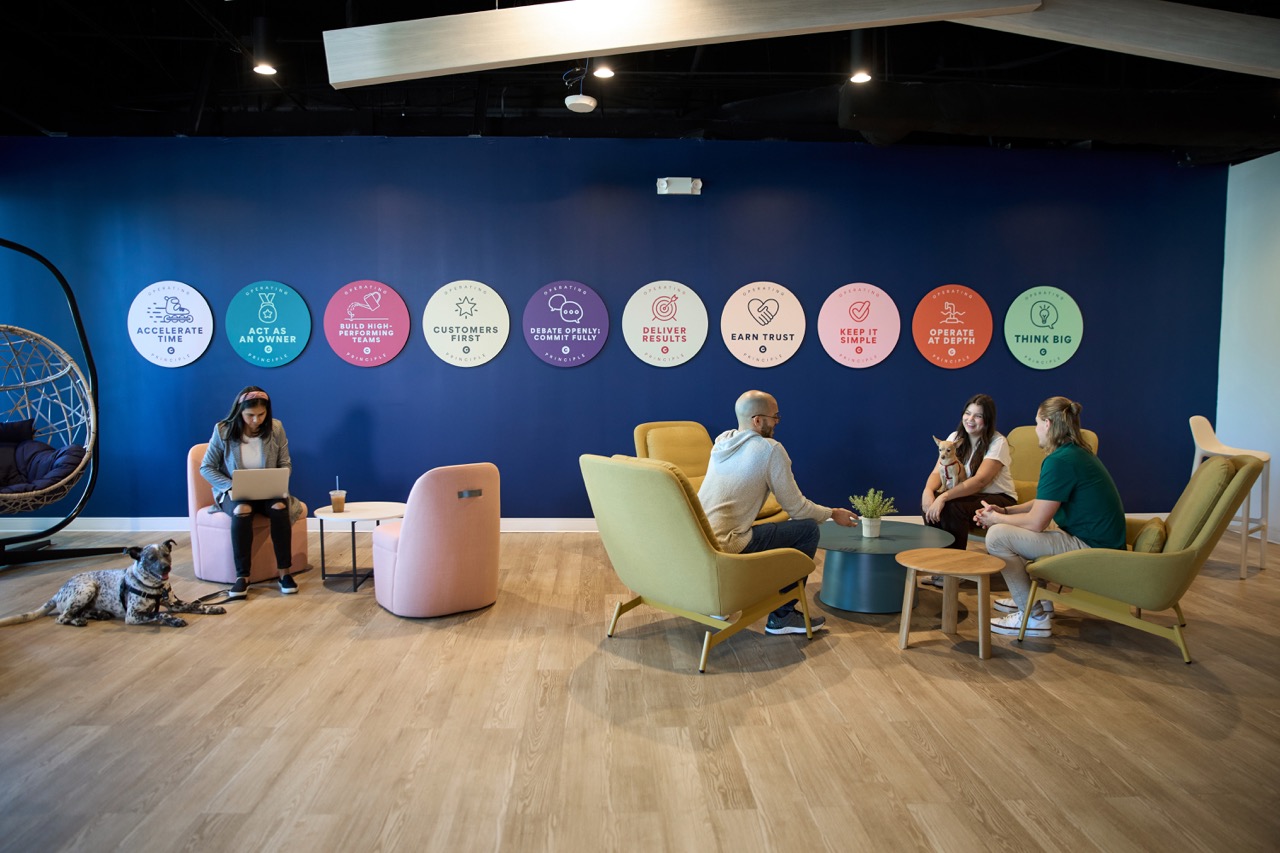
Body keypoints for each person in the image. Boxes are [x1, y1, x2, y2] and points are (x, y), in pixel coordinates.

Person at [697, 390, 859, 635]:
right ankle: (783, 616)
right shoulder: (770, 449)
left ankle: (722, 602)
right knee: (807, 530)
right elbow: (797, 508)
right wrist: (833, 513)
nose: (777, 423)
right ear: (757, 420)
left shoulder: (722, 441)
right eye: (775, 417)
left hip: (699, 538)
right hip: (728, 543)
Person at [974, 396, 1124, 638]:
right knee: (1017, 529)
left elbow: (1036, 522)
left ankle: (1032, 616)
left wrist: (996, 521)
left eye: (1036, 423)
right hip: (1095, 541)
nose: (1035, 430)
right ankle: (1038, 599)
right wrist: (1006, 511)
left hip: (1092, 549)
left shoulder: (1060, 461)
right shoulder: (1075, 453)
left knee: (997, 537)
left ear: (1048, 424)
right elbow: (1045, 501)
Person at [200, 386, 304, 598]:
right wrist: (230, 486)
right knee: (242, 510)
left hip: (268, 491)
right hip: (235, 492)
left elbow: (285, 462)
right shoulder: (223, 430)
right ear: (240, 412)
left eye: (261, 414)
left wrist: (280, 478)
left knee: (279, 507)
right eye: (250, 415)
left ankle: (284, 573)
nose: (256, 420)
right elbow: (206, 467)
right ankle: (242, 577)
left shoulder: (275, 428)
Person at [920, 393, 1018, 550]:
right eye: (967, 413)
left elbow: (980, 481)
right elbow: (938, 472)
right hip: (969, 495)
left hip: (999, 498)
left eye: (978, 416)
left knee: (953, 506)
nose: (970, 419)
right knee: (930, 502)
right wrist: (928, 491)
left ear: (988, 420)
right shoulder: (954, 438)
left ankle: (954, 560)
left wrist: (944, 496)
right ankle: (937, 556)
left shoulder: (998, 442)